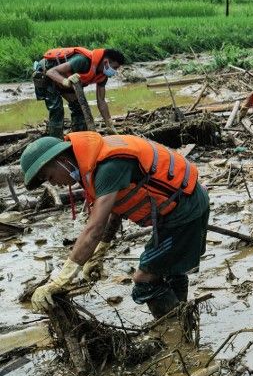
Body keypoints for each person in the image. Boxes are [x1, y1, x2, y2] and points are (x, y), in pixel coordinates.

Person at [20, 132, 209, 320]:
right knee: (168, 270)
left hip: (184, 210)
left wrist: (62, 279)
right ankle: (183, 320)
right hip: (182, 204)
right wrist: (101, 250)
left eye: (50, 176)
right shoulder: (94, 163)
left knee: (144, 279)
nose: (55, 184)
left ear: (60, 160)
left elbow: (94, 228)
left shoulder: (108, 166)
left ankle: (173, 329)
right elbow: (116, 208)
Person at [32, 47, 125, 138]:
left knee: (79, 108)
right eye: (115, 68)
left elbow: (101, 101)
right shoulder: (82, 61)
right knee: (57, 110)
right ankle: (55, 142)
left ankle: (79, 138)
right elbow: (51, 72)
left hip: (66, 79)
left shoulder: (103, 75)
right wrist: (65, 81)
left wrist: (109, 123)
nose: (114, 71)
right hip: (47, 74)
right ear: (106, 62)